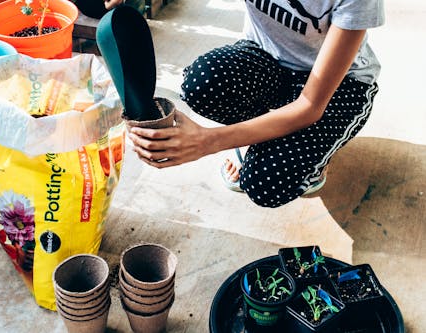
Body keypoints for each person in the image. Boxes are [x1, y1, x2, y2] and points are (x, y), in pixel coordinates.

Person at [104, 0, 385, 208]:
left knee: (266, 183)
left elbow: (310, 105)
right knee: (202, 83)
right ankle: (264, 135)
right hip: (267, 59)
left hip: (340, 85)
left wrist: (207, 142)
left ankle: (314, 158)